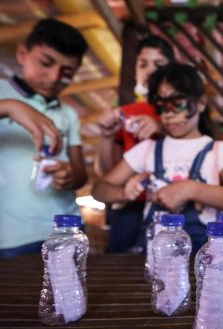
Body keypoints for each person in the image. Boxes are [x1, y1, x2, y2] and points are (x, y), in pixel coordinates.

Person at [0, 18, 88, 259]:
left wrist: (70, 174)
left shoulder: (68, 113)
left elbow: (81, 173)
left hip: (69, 228)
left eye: (67, 73)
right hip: (14, 234)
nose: (54, 77)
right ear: (22, 53)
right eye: (46, 62)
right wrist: (9, 107)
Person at [91, 63, 223, 253]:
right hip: (154, 255)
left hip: (202, 257)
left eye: (177, 104)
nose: (168, 114)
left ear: (200, 103)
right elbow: (99, 189)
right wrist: (124, 194)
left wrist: (191, 189)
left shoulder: (218, 150)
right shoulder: (147, 149)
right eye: (162, 106)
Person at [95, 35, 175, 253]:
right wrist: (107, 136)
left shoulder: (181, 111)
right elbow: (105, 172)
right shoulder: (126, 113)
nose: (150, 70)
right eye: (143, 64)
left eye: (158, 64)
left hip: (172, 206)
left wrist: (161, 126)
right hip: (130, 206)